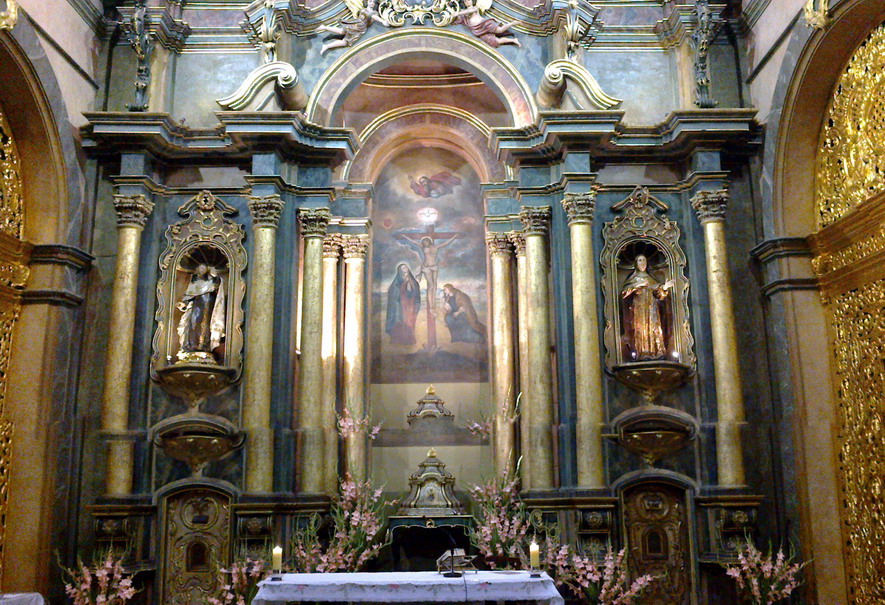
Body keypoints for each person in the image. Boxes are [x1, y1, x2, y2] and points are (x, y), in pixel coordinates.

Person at [620, 254, 673, 360]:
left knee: (654, 328)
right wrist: (636, 286)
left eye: (644, 260)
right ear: (636, 263)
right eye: (640, 260)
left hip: (652, 308)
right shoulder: (633, 279)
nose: (642, 263)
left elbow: (659, 295)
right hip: (638, 309)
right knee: (641, 328)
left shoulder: (651, 279)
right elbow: (624, 294)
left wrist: (664, 287)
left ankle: (657, 352)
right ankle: (642, 353)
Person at [397, 232, 459, 313]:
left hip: (434, 267)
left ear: (429, 241)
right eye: (423, 242)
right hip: (426, 267)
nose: (425, 243)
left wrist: (454, 237)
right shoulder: (423, 247)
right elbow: (414, 242)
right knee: (431, 286)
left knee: (435, 285)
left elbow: (446, 243)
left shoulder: (436, 247)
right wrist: (405, 236)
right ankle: (431, 307)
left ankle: (433, 304)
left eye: (426, 241)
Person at [177, 264, 225, 360]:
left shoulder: (212, 281)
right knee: (193, 326)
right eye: (200, 268)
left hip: (207, 306)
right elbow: (188, 298)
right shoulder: (194, 284)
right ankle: (191, 346)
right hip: (196, 308)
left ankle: (203, 347)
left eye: (203, 268)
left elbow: (217, 288)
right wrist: (183, 305)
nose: (201, 270)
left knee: (205, 326)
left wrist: (215, 276)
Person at [317, 0, 389, 55]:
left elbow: (373, 17)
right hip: (357, 25)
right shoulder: (365, 10)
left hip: (360, 29)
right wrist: (382, 21)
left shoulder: (372, 12)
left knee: (345, 40)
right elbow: (373, 16)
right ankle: (325, 29)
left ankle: (327, 45)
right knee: (342, 33)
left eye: (373, 2)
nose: (372, 3)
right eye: (370, 1)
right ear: (367, 2)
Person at [453, 0, 521, 48]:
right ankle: (513, 40)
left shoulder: (474, 8)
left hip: (485, 24)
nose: (467, 2)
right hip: (478, 30)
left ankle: (512, 23)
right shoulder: (464, 13)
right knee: (495, 41)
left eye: (468, 0)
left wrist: (458, 13)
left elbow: (469, 11)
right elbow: (461, 18)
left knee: (500, 30)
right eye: (465, 1)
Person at [386, 263, 422, 345]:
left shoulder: (413, 281)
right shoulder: (396, 283)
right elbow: (394, 293)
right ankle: (398, 341)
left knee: (410, 323)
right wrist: (405, 283)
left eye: (406, 267)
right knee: (400, 322)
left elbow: (415, 293)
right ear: (400, 271)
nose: (405, 269)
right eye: (403, 268)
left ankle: (409, 340)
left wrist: (409, 283)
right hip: (400, 307)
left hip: (411, 306)